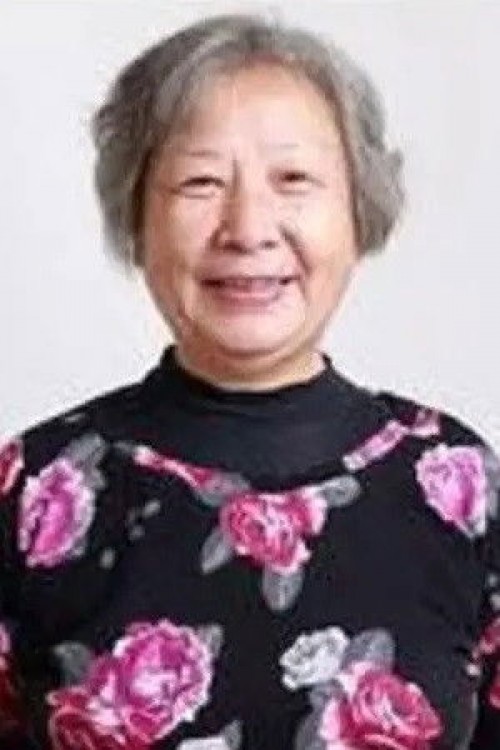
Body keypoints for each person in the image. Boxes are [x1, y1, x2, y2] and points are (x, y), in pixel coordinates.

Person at [0, 11, 499, 750]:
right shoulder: (38, 489)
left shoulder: (459, 487)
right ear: (137, 217)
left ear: (359, 210)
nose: (248, 227)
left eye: (293, 180)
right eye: (200, 181)